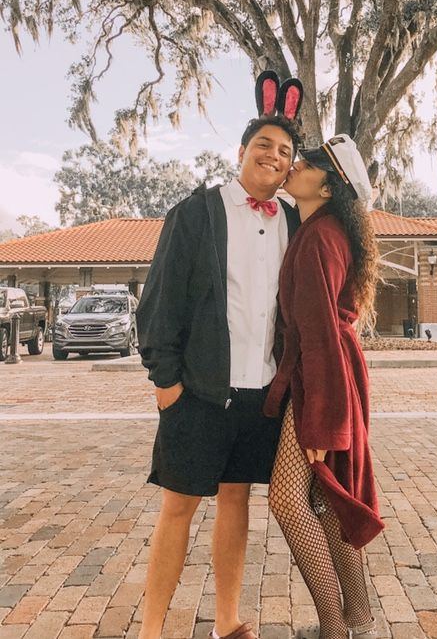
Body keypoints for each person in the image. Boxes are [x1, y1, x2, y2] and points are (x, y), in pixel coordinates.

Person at [136, 72, 303, 639]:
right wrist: (166, 383)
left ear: (290, 167)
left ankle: (227, 622)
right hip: (199, 393)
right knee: (178, 509)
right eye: (264, 144)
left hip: (260, 396)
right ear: (241, 152)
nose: (274, 156)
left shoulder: (294, 222)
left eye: (285, 151)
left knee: (237, 503)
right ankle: (151, 631)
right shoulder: (196, 213)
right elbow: (159, 301)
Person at [264, 134, 385, 639]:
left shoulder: (318, 237)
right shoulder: (324, 230)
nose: (293, 165)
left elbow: (316, 332)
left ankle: (335, 627)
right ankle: (357, 616)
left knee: (288, 500)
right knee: (323, 499)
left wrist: (322, 418)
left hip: (323, 379)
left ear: (329, 186)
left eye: (307, 163)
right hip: (331, 373)